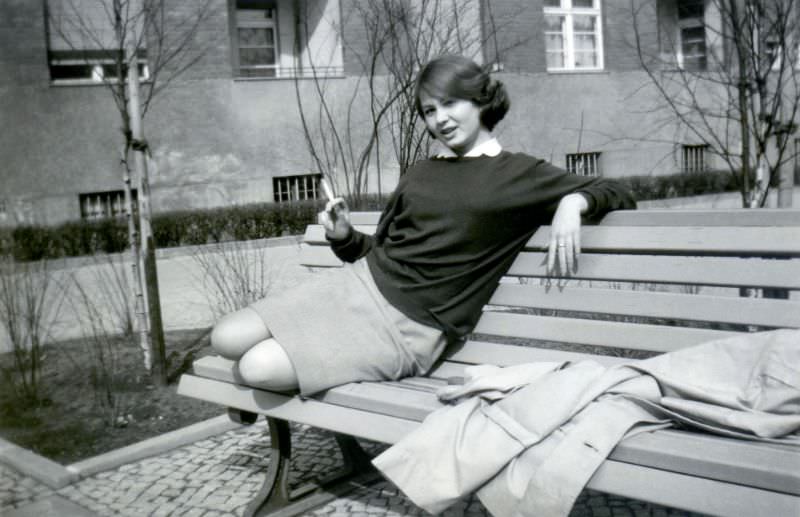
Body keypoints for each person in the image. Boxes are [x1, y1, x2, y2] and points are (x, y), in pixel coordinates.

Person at [211, 54, 636, 395]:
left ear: (480, 101)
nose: (440, 119)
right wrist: (342, 237)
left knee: (256, 367)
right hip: (358, 286)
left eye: (451, 103)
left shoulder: (518, 174)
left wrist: (573, 201)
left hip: (410, 328)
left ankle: (260, 391)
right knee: (225, 337)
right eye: (430, 110)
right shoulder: (420, 172)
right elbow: (383, 251)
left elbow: (617, 189)